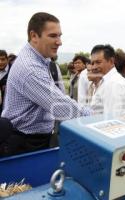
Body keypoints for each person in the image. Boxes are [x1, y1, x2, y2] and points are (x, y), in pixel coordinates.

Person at [0, 12, 91, 157]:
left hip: (34, 139)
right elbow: (61, 107)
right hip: (24, 143)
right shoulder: (30, 68)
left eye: (60, 35)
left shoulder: (41, 60)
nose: (59, 41)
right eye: (53, 36)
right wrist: (99, 118)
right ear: (34, 36)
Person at [89, 44, 125, 120]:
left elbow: (111, 120)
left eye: (98, 62)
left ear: (111, 61)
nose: (94, 67)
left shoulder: (113, 83)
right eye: (92, 63)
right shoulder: (106, 81)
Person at [0, 50, 10, 114]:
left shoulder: (13, 71)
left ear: (7, 59)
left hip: (7, 109)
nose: (0, 62)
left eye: (3, 59)